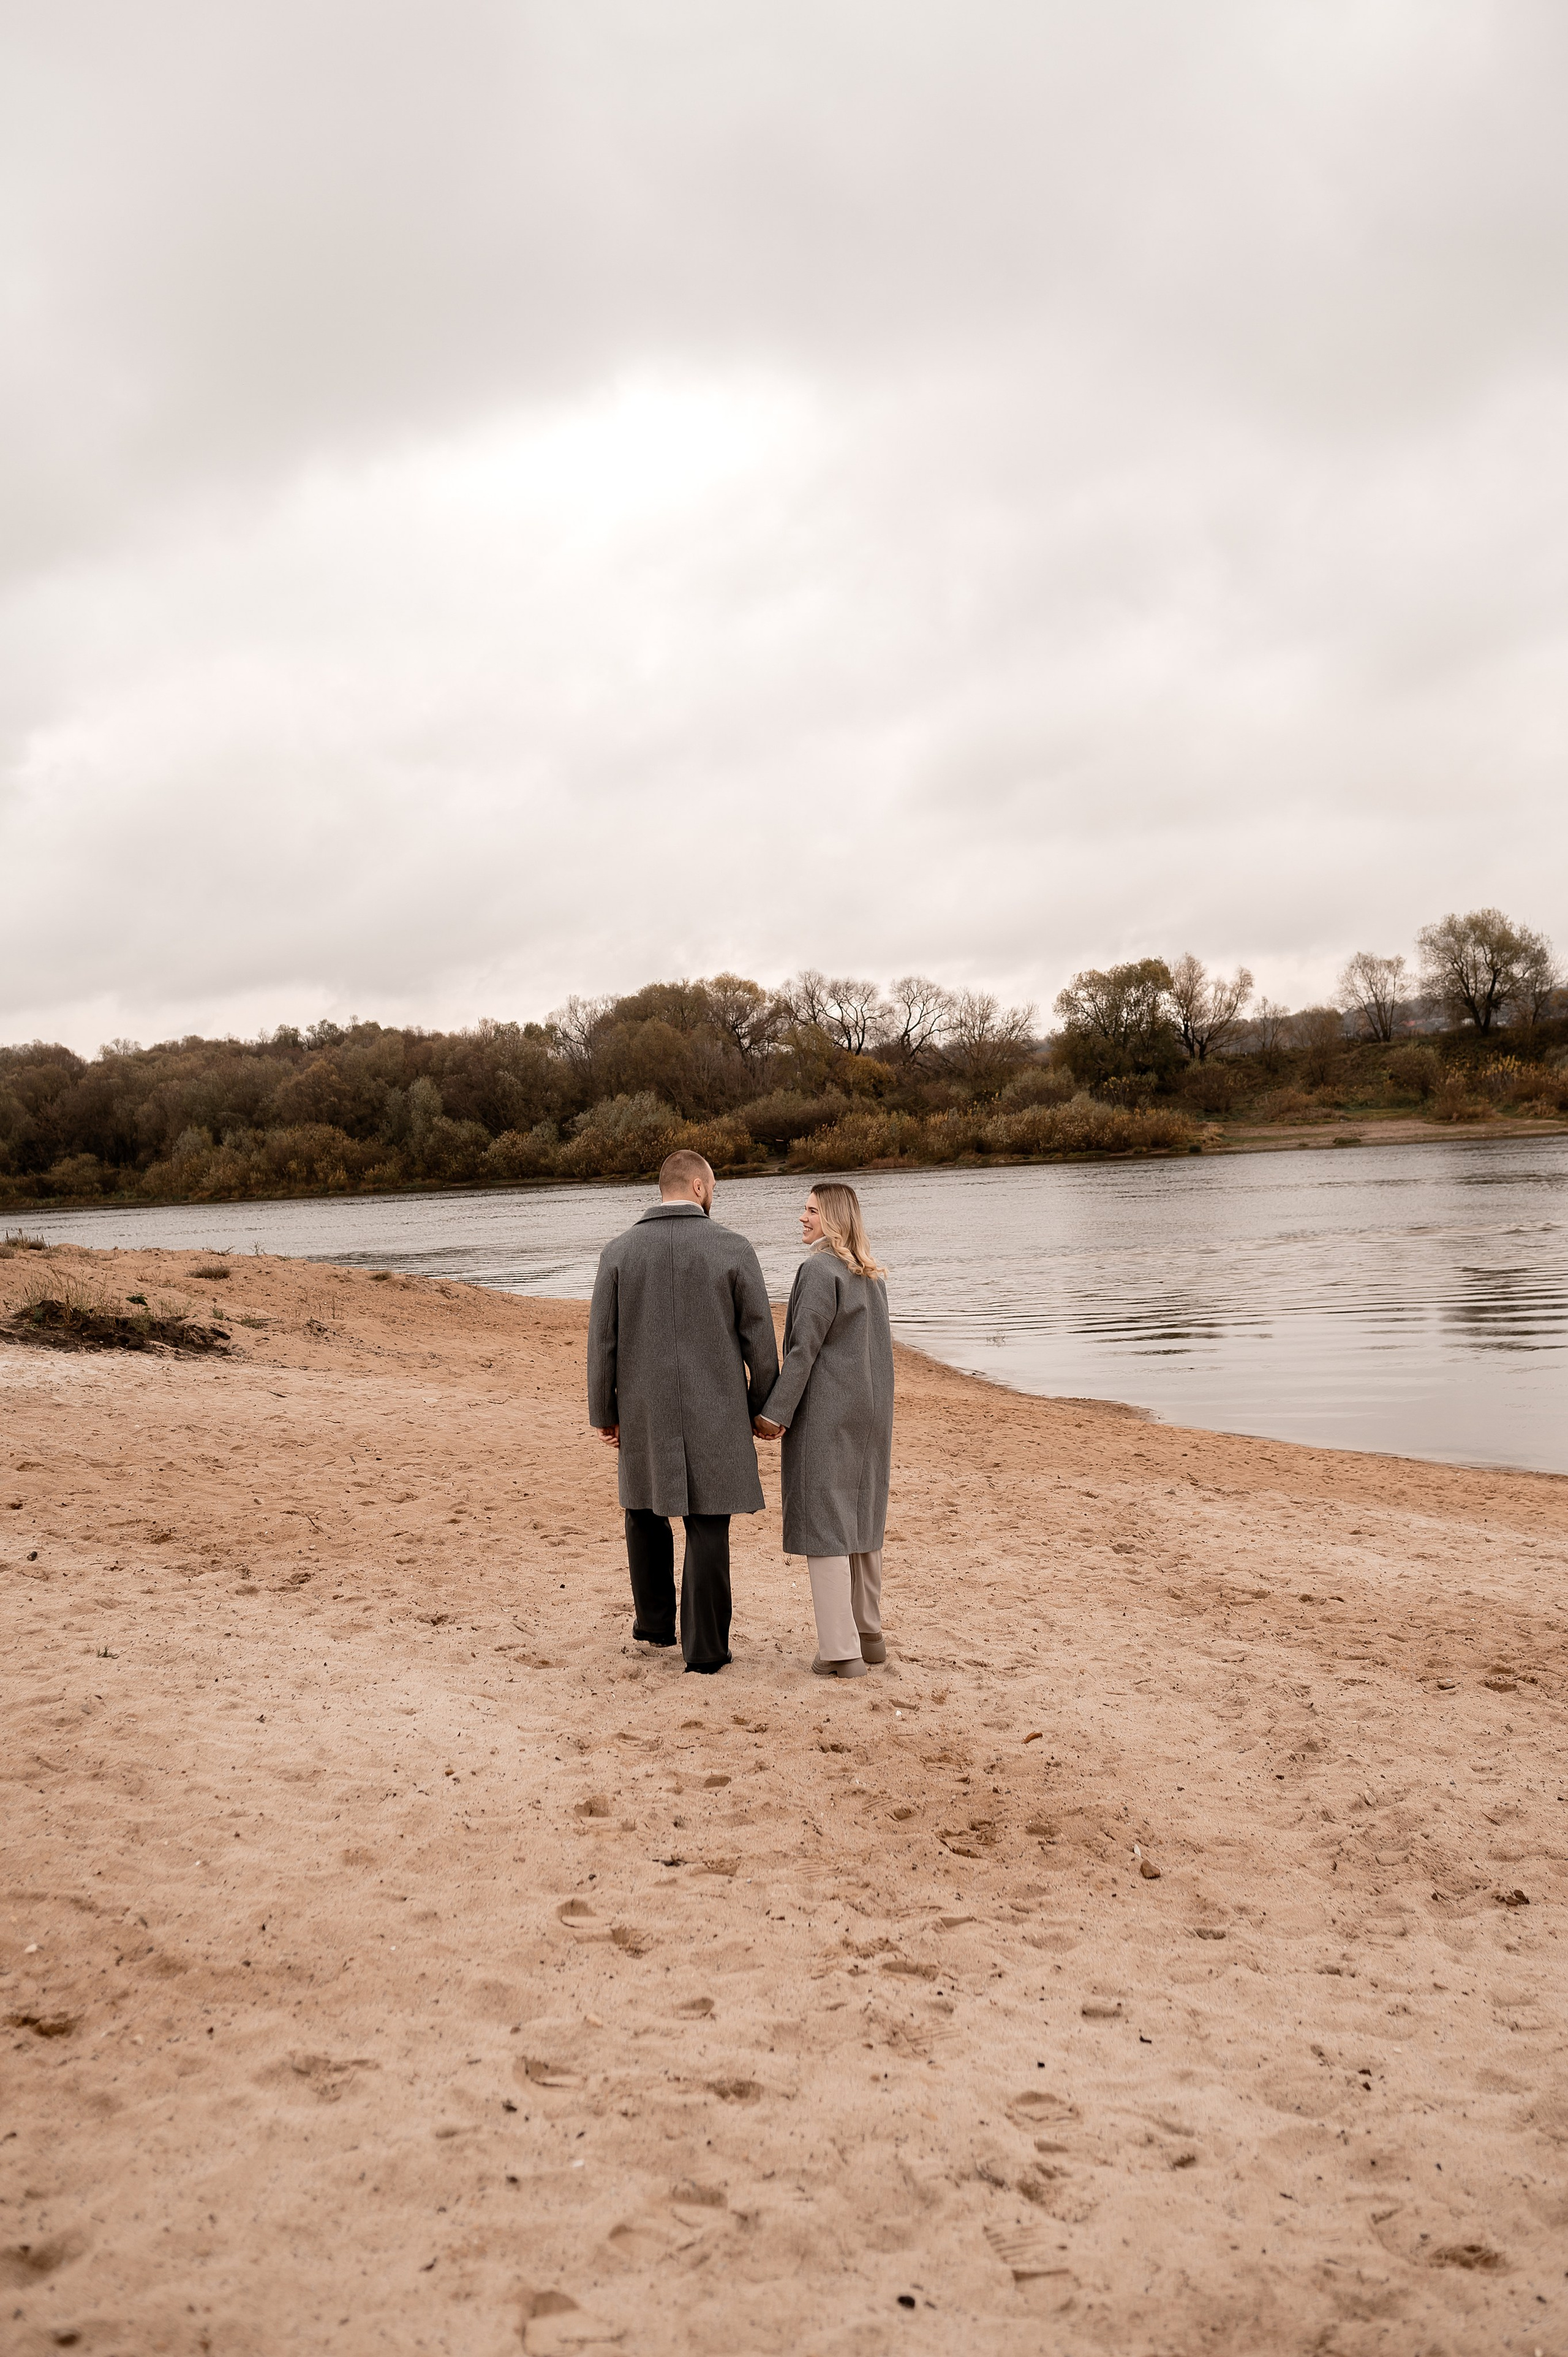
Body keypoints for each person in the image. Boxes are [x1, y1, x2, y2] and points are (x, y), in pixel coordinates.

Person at [587, 1149, 779, 1673]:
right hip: (715, 1406)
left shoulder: (619, 1252)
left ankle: (654, 1625)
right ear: (697, 1186)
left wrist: (604, 1411)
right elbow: (759, 1340)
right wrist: (764, 1406)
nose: (714, 1194)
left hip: (645, 1407)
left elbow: (603, 1342)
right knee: (708, 1521)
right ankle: (706, 1649)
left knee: (644, 1510)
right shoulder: (733, 1247)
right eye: (712, 1185)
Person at [753, 1182, 893, 1681]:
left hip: (830, 1413)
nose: (802, 1217)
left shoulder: (819, 1270)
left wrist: (775, 1413)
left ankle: (840, 1650)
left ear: (833, 1217)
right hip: (872, 1412)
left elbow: (802, 1349)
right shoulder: (870, 1274)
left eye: (811, 1210)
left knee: (826, 1521)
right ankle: (869, 1635)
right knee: (862, 1515)